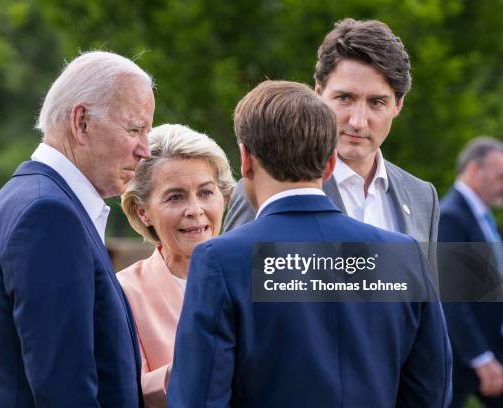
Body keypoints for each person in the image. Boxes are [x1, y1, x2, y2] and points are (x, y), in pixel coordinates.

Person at [167, 80, 451, 407]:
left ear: (245, 159)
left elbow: (198, 398)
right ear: (330, 164)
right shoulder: (404, 257)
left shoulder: (220, 259)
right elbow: (432, 391)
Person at [0, 51, 155, 407]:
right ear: (81, 122)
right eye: (134, 129)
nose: (145, 149)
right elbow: (65, 391)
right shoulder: (48, 215)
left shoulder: (30, 199)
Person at [224, 19, 439, 261]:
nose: (358, 121)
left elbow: (427, 296)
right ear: (318, 93)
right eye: (345, 98)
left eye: (376, 102)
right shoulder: (266, 186)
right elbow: (235, 285)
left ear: (398, 105)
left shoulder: (422, 197)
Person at [117, 124, 235, 407]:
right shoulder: (123, 292)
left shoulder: (254, 277)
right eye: (175, 197)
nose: (195, 210)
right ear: (142, 212)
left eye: (206, 192)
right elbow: (126, 392)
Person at [439, 137, 503, 407]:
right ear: (475, 170)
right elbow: (451, 298)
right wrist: (481, 358)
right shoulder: (451, 217)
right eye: (500, 176)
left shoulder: (482, 217)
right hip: (468, 357)